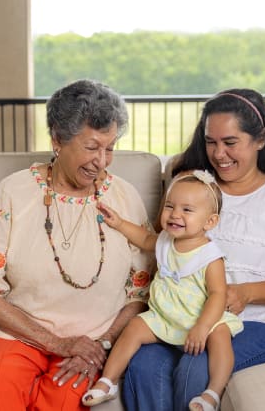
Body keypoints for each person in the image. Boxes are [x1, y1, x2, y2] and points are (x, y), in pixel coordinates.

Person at [0, 79, 155, 411]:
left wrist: (102, 343)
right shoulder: (14, 192)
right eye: (92, 147)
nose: (103, 161)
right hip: (20, 337)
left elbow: (142, 292)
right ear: (57, 140)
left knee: (64, 401)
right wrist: (56, 343)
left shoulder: (124, 198)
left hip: (92, 342)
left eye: (110, 147)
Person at [122, 88, 265, 411]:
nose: (219, 154)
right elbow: (163, 250)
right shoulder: (190, 185)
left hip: (261, 324)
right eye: (211, 142)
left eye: (230, 143)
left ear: (261, 139)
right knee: (143, 366)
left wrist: (245, 293)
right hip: (183, 317)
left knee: (196, 368)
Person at [82, 170, 243, 410]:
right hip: (165, 318)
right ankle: (108, 380)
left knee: (220, 339)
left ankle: (213, 392)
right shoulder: (166, 241)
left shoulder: (210, 257)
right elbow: (145, 239)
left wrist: (202, 327)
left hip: (199, 321)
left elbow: (218, 295)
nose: (175, 214)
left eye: (187, 210)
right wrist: (119, 223)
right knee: (135, 326)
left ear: (210, 222)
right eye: (170, 206)